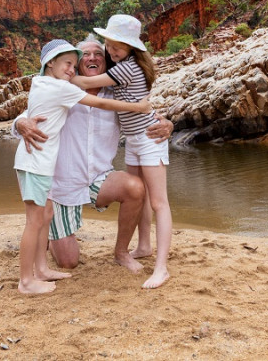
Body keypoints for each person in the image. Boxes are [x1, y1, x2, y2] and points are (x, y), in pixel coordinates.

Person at [15, 35, 173, 276]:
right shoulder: (62, 91)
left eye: (98, 54)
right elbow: (28, 114)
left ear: (106, 62)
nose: (92, 57)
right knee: (68, 261)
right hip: (61, 186)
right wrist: (20, 124)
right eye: (85, 54)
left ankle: (121, 252)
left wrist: (168, 124)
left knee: (134, 187)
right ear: (76, 65)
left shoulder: (118, 94)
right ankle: (46, 237)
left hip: (99, 178)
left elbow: (143, 114)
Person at [70, 15, 171, 289]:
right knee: (143, 194)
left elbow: (84, 85)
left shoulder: (123, 71)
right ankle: (145, 246)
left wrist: (59, 75)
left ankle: (161, 268)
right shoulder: (122, 72)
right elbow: (135, 104)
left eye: (117, 46)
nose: (112, 50)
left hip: (148, 138)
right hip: (136, 142)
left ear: (131, 48)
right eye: (109, 45)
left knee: (158, 201)